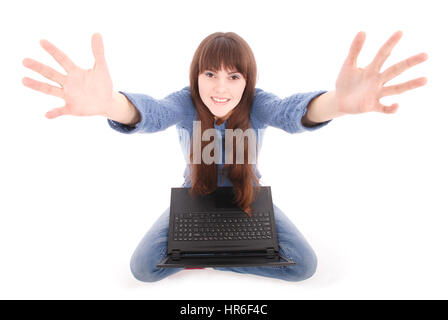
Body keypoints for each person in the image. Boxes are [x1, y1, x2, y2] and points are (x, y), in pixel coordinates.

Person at [22, 31, 428, 282]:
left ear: (247, 80)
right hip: (192, 199)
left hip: (247, 197)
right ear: (195, 76)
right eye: (210, 74)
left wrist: (337, 103)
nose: (221, 87)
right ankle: (212, 252)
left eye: (234, 75)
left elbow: (292, 113)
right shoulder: (184, 104)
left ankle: (213, 260)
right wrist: (110, 104)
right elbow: (151, 113)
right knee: (142, 269)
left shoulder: (258, 104)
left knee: (303, 266)